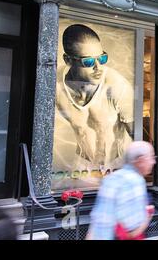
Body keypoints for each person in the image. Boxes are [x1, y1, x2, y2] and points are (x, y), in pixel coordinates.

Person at [55, 24, 134, 170]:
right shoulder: (56, 85)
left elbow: (136, 134)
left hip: (116, 165)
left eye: (102, 58)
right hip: (83, 165)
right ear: (68, 60)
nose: (98, 67)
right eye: (89, 62)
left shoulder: (117, 86)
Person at [87, 141, 156, 240]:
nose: (153, 162)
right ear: (141, 160)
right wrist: (148, 216)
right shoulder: (135, 181)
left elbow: (98, 220)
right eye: (151, 157)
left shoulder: (111, 179)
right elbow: (132, 231)